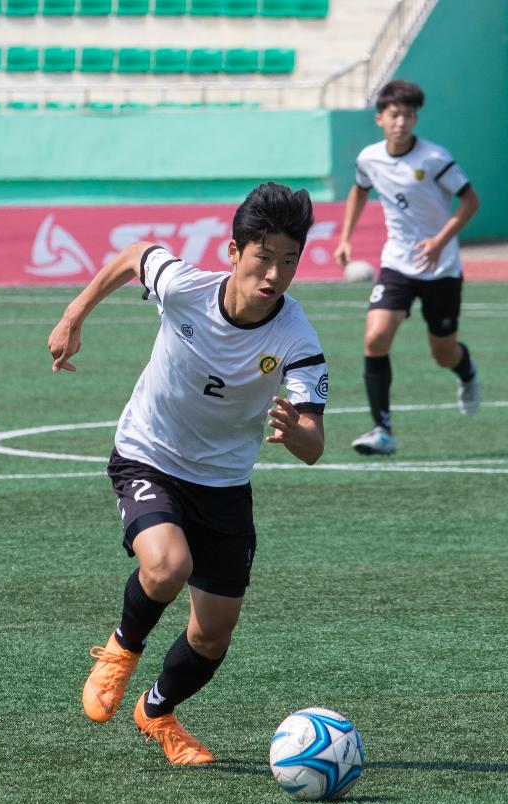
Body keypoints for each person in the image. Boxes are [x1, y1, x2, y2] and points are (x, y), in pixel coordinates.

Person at [46, 182, 328, 765]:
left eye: (288, 261)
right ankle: (121, 650)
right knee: (168, 565)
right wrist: (75, 313)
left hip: (224, 483)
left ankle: (156, 710)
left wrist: (297, 434)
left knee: (212, 634)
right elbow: (132, 254)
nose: (274, 275)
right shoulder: (184, 289)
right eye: (263, 258)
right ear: (233, 252)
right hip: (149, 454)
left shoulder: (297, 341)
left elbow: (314, 443)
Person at [333, 78, 482, 457]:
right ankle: (382, 429)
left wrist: (438, 242)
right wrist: (345, 237)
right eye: (395, 115)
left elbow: (470, 201)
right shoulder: (369, 158)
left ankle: (465, 371)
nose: (402, 122)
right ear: (381, 118)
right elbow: (359, 189)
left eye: (409, 115)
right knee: (375, 337)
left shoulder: (434, 159)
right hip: (397, 262)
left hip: (441, 267)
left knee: (442, 353)